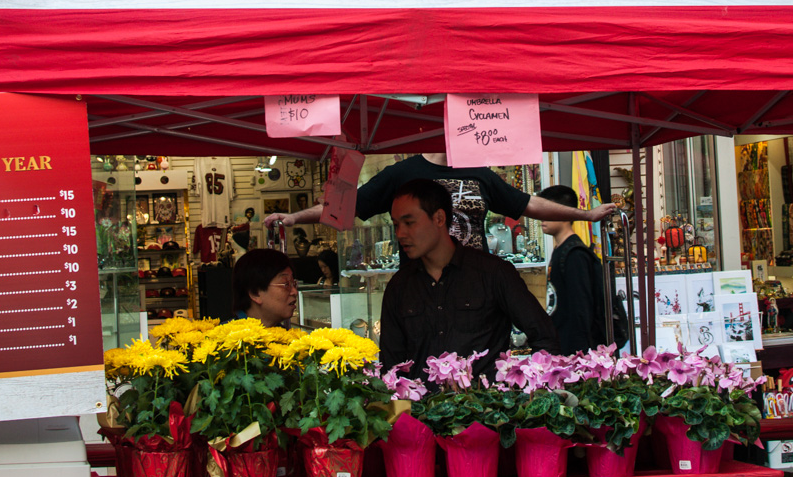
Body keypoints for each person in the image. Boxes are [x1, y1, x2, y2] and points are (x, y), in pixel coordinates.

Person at [379, 178, 558, 379]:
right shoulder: (399, 287)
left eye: (409, 223)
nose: (400, 233)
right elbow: (391, 366)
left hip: (484, 396)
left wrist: (527, 387)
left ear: (439, 218)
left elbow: (545, 337)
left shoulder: (493, 273)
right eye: (396, 225)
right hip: (420, 398)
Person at [264, 153, 617, 252]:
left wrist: (586, 215)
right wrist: (294, 218)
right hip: (421, 286)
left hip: (476, 283)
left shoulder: (479, 171)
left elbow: (527, 204)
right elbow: (347, 206)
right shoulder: (403, 173)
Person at [539, 184, 608, 355]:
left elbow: (581, 311)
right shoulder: (561, 250)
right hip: (563, 349)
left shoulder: (575, 254)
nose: (541, 218)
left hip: (576, 354)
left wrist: (578, 356)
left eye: (547, 212)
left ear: (565, 213)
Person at [232, 248, 297, 327]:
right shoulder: (225, 334)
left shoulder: (287, 333)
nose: (294, 292)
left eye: (294, 284)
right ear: (255, 293)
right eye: (286, 284)